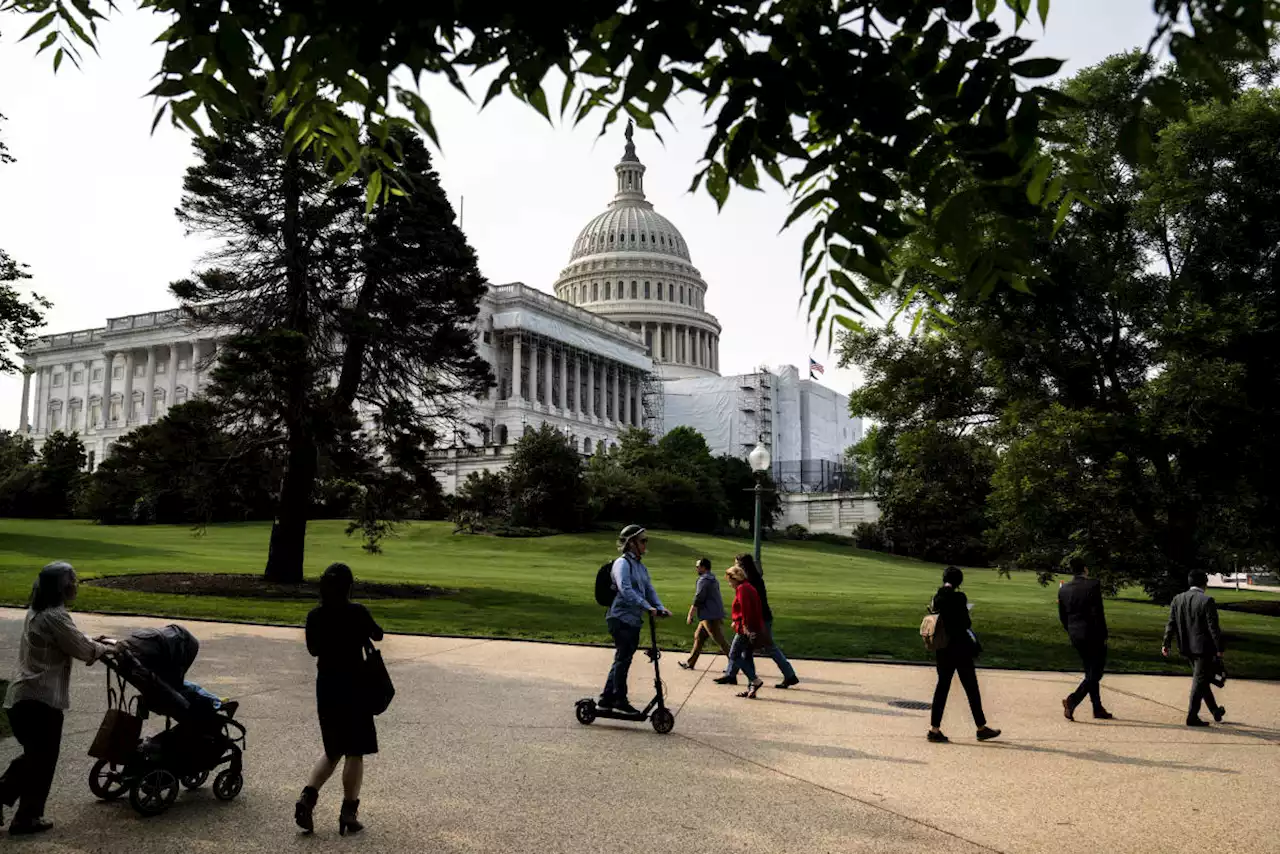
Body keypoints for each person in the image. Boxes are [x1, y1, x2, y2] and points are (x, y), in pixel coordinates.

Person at [1, 562, 113, 835]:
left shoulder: (39, 612)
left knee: (35, 758)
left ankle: (24, 814)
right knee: (41, 761)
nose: (76, 585)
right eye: (72, 580)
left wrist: (91, 640)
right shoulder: (55, 616)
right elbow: (84, 650)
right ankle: (26, 818)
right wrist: (113, 648)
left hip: (23, 699)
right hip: (40, 702)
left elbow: (70, 640)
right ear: (62, 587)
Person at [295, 563, 385, 836]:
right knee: (355, 751)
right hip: (355, 686)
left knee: (333, 749)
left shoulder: (315, 616)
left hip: (327, 687)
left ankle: (307, 797)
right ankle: (348, 811)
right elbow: (378, 634)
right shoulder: (357, 612)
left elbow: (313, 650)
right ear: (349, 587)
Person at [600, 525, 669, 715]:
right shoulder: (622, 564)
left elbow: (649, 590)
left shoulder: (640, 566)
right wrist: (647, 607)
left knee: (623, 658)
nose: (646, 544)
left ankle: (606, 698)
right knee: (623, 658)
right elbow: (625, 589)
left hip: (633, 620)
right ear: (631, 543)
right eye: (643, 541)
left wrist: (660, 607)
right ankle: (619, 699)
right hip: (620, 618)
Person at [927, 566, 1001, 744]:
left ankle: (934, 728)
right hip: (960, 648)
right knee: (971, 688)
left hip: (942, 648)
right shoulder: (959, 598)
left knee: (942, 687)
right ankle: (981, 727)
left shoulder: (937, 598)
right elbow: (965, 623)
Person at [714, 553, 799, 689]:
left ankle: (787, 675)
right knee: (746, 651)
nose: (735, 566)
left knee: (768, 648)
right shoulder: (753, 579)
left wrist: (744, 624)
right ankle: (736, 676)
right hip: (758, 619)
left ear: (742, 565)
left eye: (736, 563)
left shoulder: (747, 583)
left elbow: (748, 607)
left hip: (760, 619)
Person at [1162, 570, 1226, 727]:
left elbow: (1171, 623)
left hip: (1186, 646)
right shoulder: (1207, 600)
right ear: (1204, 583)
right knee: (1199, 681)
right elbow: (1213, 628)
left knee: (1201, 679)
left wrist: (1166, 643)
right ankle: (1192, 716)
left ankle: (1215, 711)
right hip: (1203, 648)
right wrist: (1219, 648)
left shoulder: (1178, 599)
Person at [1057, 558, 1113, 721]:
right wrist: (1103, 634)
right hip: (1093, 633)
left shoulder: (1064, 589)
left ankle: (1097, 707)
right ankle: (1073, 700)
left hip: (1076, 634)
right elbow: (1098, 612)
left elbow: (1062, 616)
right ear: (1085, 569)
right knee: (1096, 672)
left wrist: (1071, 630)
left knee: (1090, 671)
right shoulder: (1093, 585)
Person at [678, 557, 731, 670]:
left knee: (721, 641)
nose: (696, 569)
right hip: (712, 614)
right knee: (699, 636)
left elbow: (699, 598)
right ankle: (690, 663)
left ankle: (735, 664)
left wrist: (690, 614)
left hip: (709, 616)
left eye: (698, 566)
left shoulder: (704, 580)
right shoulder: (713, 579)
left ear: (703, 567)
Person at [725, 566, 766, 699]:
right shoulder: (747, 587)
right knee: (747, 656)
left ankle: (755, 680)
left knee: (734, 654)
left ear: (735, 578)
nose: (729, 583)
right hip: (750, 626)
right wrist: (736, 620)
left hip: (746, 629)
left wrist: (745, 626)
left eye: (729, 580)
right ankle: (751, 689)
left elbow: (746, 609)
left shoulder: (742, 589)